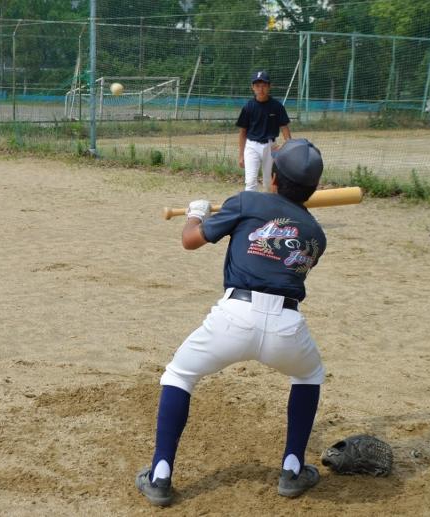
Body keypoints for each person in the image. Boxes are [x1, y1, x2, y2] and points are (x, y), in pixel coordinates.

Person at [135, 139, 327, 506]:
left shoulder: (246, 201)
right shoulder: (317, 234)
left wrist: (196, 215)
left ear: (273, 177)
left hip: (234, 316)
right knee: (309, 375)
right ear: (314, 188)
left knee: (179, 375)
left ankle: (160, 475)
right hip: (287, 325)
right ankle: (292, 468)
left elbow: (190, 241)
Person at [237, 70, 291, 192]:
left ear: (269, 86)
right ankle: (250, 204)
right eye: (257, 86)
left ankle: (270, 203)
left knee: (270, 183)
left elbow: (284, 127)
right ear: (252, 87)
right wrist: (241, 155)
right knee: (250, 182)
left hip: (271, 147)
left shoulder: (277, 106)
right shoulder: (248, 107)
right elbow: (242, 132)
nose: (260, 89)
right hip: (252, 146)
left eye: (264, 85)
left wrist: (289, 147)